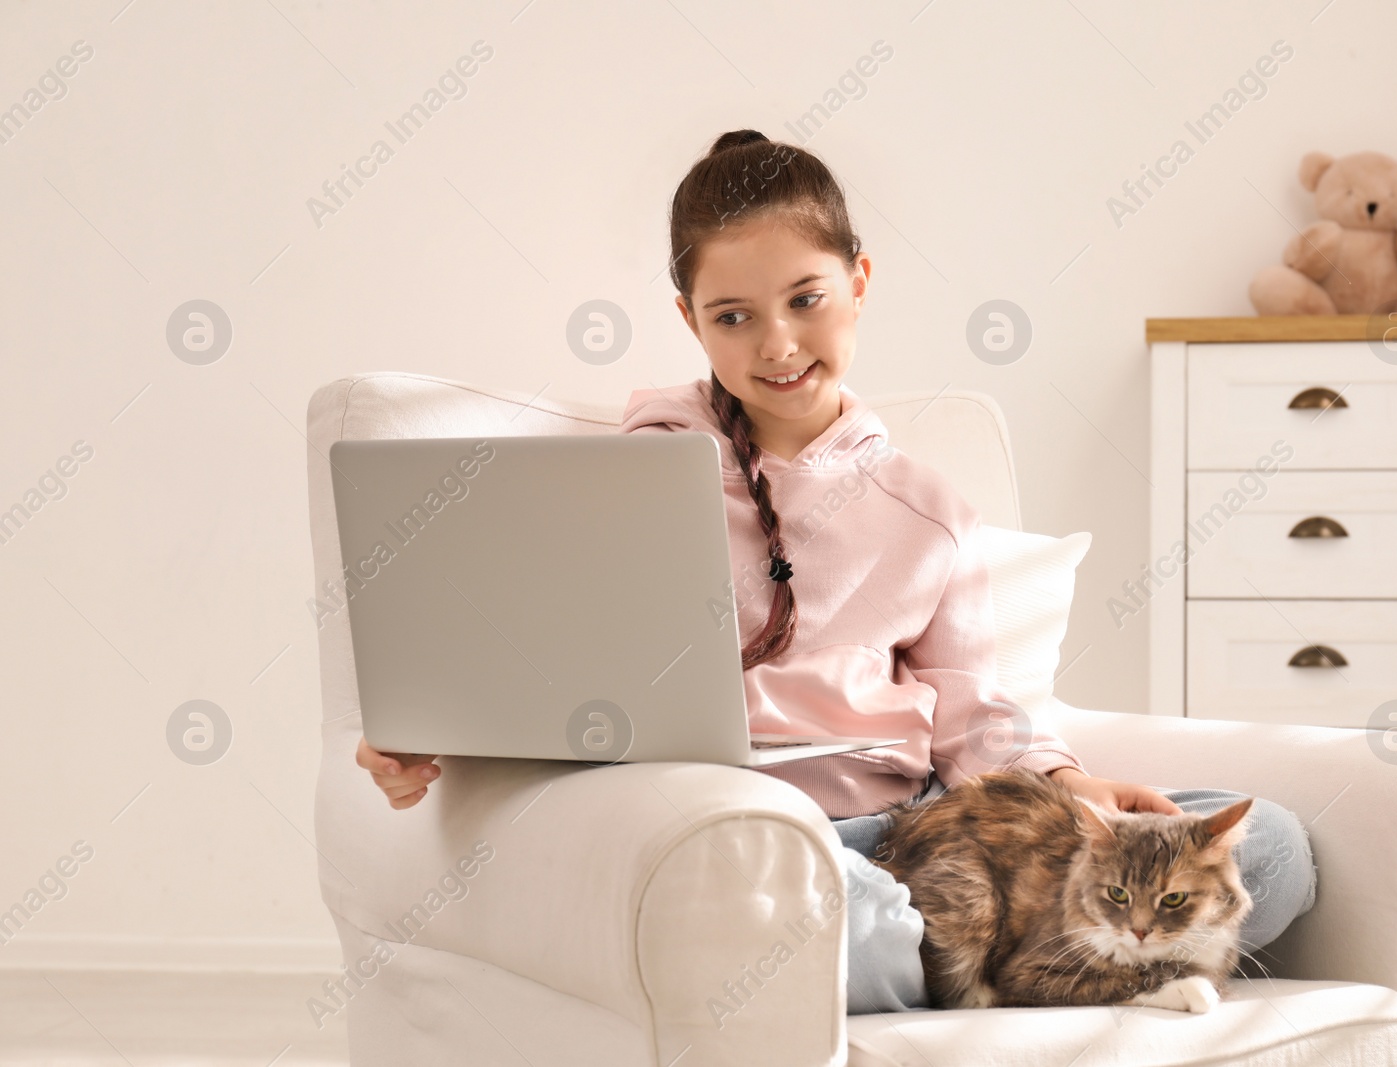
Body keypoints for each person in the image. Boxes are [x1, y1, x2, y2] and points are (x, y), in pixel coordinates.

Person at [354, 128, 1316, 1014]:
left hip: (919, 834)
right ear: (691, 321)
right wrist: (432, 729)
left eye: (805, 300)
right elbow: (544, 662)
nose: (776, 343)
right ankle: (986, 960)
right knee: (822, 932)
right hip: (732, 835)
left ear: (859, 281)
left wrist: (1076, 785)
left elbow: (974, 715)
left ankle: (986, 957)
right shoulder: (622, 481)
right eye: (734, 316)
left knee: (1273, 847)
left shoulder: (929, 507)